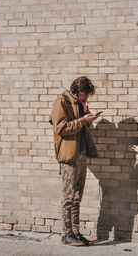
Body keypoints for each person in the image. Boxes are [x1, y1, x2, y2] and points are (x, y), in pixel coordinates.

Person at [51, 76, 99, 246]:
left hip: (81, 155)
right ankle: (67, 234)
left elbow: (82, 128)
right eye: (85, 94)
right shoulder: (61, 102)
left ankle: (76, 233)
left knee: (77, 196)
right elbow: (61, 128)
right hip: (69, 157)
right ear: (78, 91)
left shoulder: (79, 104)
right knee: (68, 197)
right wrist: (82, 120)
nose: (86, 98)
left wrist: (87, 117)